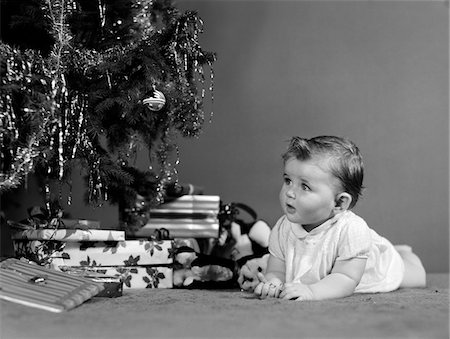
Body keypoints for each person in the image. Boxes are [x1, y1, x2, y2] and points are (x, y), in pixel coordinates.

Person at [238, 136, 426, 300]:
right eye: (288, 180)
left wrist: (312, 292)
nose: (289, 192)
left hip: (373, 268)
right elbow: (277, 270)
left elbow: (345, 279)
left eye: (304, 187)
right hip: (329, 272)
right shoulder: (283, 228)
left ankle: (405, 254)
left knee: (416, 276)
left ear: (339, 203)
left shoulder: (352, 230)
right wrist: (272, 283)